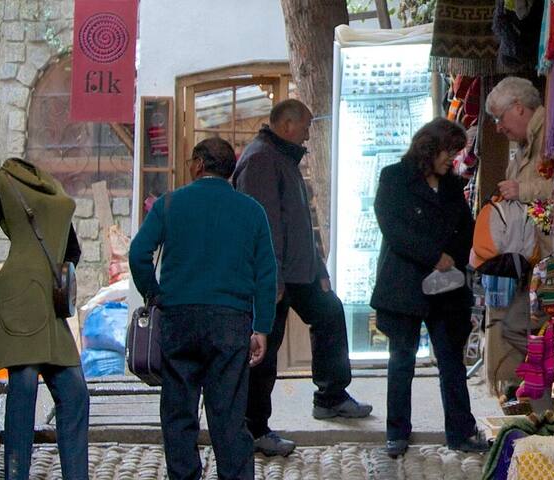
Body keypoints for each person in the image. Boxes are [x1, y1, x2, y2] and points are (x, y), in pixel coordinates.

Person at [129, 138, 278, 480]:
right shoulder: (252, 211)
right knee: (229, 415)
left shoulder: (169, 204)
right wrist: (262, 327)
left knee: (179, 412)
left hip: (178, 318)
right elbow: (266, 274)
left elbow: (138, 254)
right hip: (231, 321)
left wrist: (154, 294)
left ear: (198, 164)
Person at [232, 99, 371, 458]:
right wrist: (273, 280)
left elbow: (299, 223)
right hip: (275, 276)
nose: (308, 134)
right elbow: (264, 226)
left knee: (329, 313)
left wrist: (319, 269)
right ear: (288, 125)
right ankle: (253, 428)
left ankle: (331, 396)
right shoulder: (261, 159)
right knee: (263, 351)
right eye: (306, 126)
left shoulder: (283, 157)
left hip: (299, 272)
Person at [371, 118, 491, 458]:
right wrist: (432, 255)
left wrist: (452, 257)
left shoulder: (452, 184)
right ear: (429, 148)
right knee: (402, 360)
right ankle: (397, 432)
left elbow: (465, 227)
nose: (452, 159)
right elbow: (392, 227)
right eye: (448, 151)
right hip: (405, 284)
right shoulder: (394, 177)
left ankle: (461, 431)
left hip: (447, 288)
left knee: (451, 361)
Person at [0, 155, 90, 480]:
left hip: (41, 297)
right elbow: (73, 253)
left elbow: (71, 249)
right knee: (31, 386)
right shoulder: (3, 182)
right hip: (29, 295)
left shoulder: (46, 186)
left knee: (69, 392)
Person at [479, 77, 554, 405]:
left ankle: (538, 402)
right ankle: (524, 393)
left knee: (538, 334)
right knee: (516, 328)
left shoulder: (550, 134)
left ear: (519, 108)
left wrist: (522, 190)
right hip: (528, 262)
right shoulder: (525, 145)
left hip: (549, 259)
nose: (498, 127)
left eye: (500, 118)